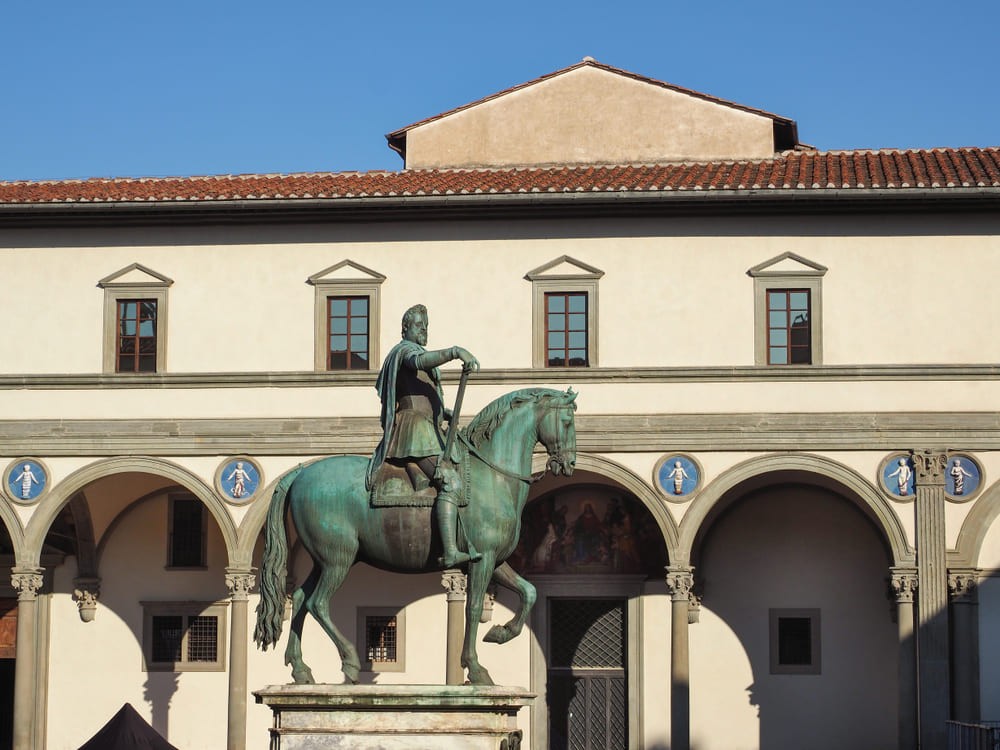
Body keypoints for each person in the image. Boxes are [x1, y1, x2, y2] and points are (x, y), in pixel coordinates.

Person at [367, 304, 481, 566]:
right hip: (415, 431)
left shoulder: (414, 350)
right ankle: (451, 551)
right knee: (450, 482)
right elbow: (417, 363)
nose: (424, 331)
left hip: (427, 426)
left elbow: (422, 397)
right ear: (406, 328)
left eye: (426, 326)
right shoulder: (405, 351)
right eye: (420, 326)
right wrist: (455, 352)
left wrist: (444, 412)